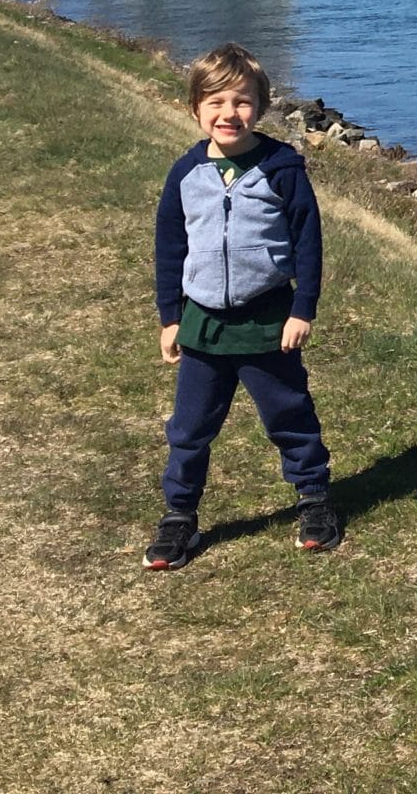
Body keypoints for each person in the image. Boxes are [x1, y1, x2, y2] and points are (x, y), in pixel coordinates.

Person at [143, 42, 339, 569]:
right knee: (189, 430)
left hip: (267, 319)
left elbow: (307, 243)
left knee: (289, 415)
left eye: (243, 101)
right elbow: (170, 248)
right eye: (216, 102)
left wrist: (303, 308)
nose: (229, 113)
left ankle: (314, 498)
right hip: (202, 323)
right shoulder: (185, 173)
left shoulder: (281, 168)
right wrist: (170, 317)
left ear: (261, 105)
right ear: (195, 109)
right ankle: (179, 516)